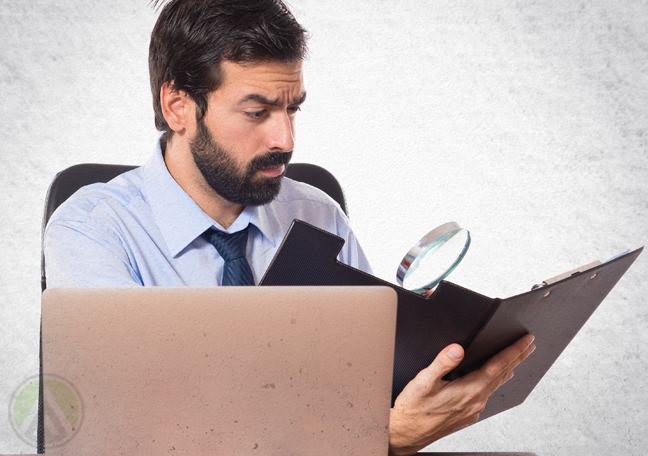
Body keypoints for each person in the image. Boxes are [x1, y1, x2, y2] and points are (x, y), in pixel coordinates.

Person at [43, 1, 535, 454]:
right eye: (257, 112)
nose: (285, 138)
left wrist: (432, 386)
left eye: (292, 108)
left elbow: (365, 386)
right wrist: (379, 440)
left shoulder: (317, 212)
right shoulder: (91, 231)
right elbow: (134, 432)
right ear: (178, 107)